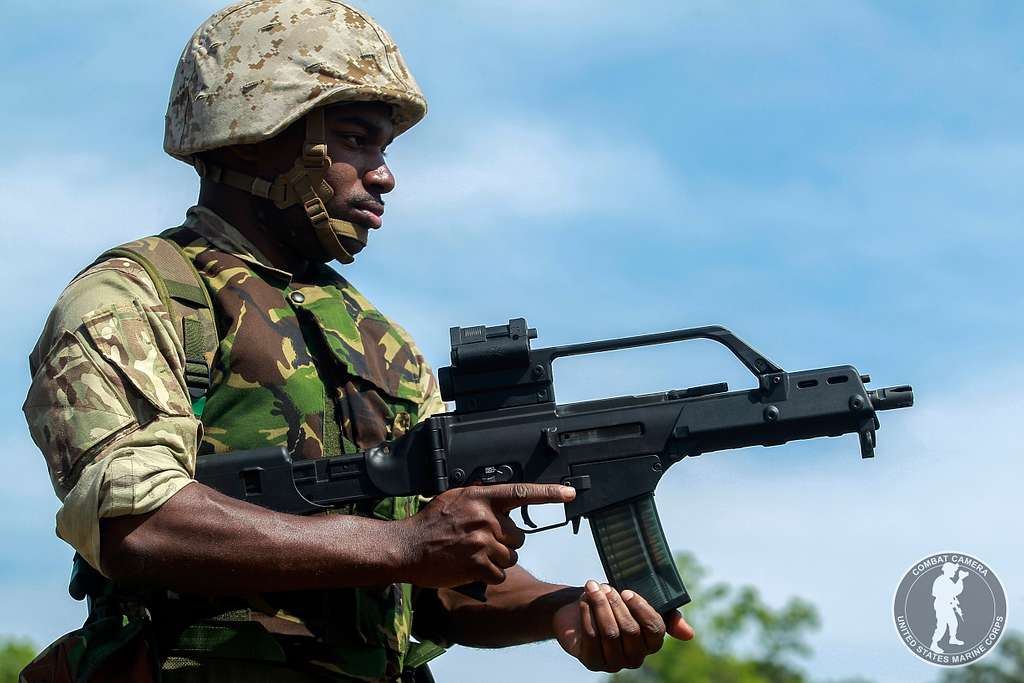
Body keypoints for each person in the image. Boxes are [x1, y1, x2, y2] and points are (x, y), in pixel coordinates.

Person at [21, 2, 694, 681]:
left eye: (385, 148)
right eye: (355, 139)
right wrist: (405, 543)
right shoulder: (137, 296)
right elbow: (140, 522)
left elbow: (437, 588)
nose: (384, 174)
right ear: (255, 133)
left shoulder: (385, 346)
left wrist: (560, 608)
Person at [930, 562, 967, 654]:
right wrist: (949, 599)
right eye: (953, 571)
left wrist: (960, 579)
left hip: (948, 606)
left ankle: (952, 639)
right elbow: (938, 593)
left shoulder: (948, 580)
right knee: (941, 626)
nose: (954, 572)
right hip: (942, 606)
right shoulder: (940, 580)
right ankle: (934, 644)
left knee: (953, 623)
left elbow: (956, 590)